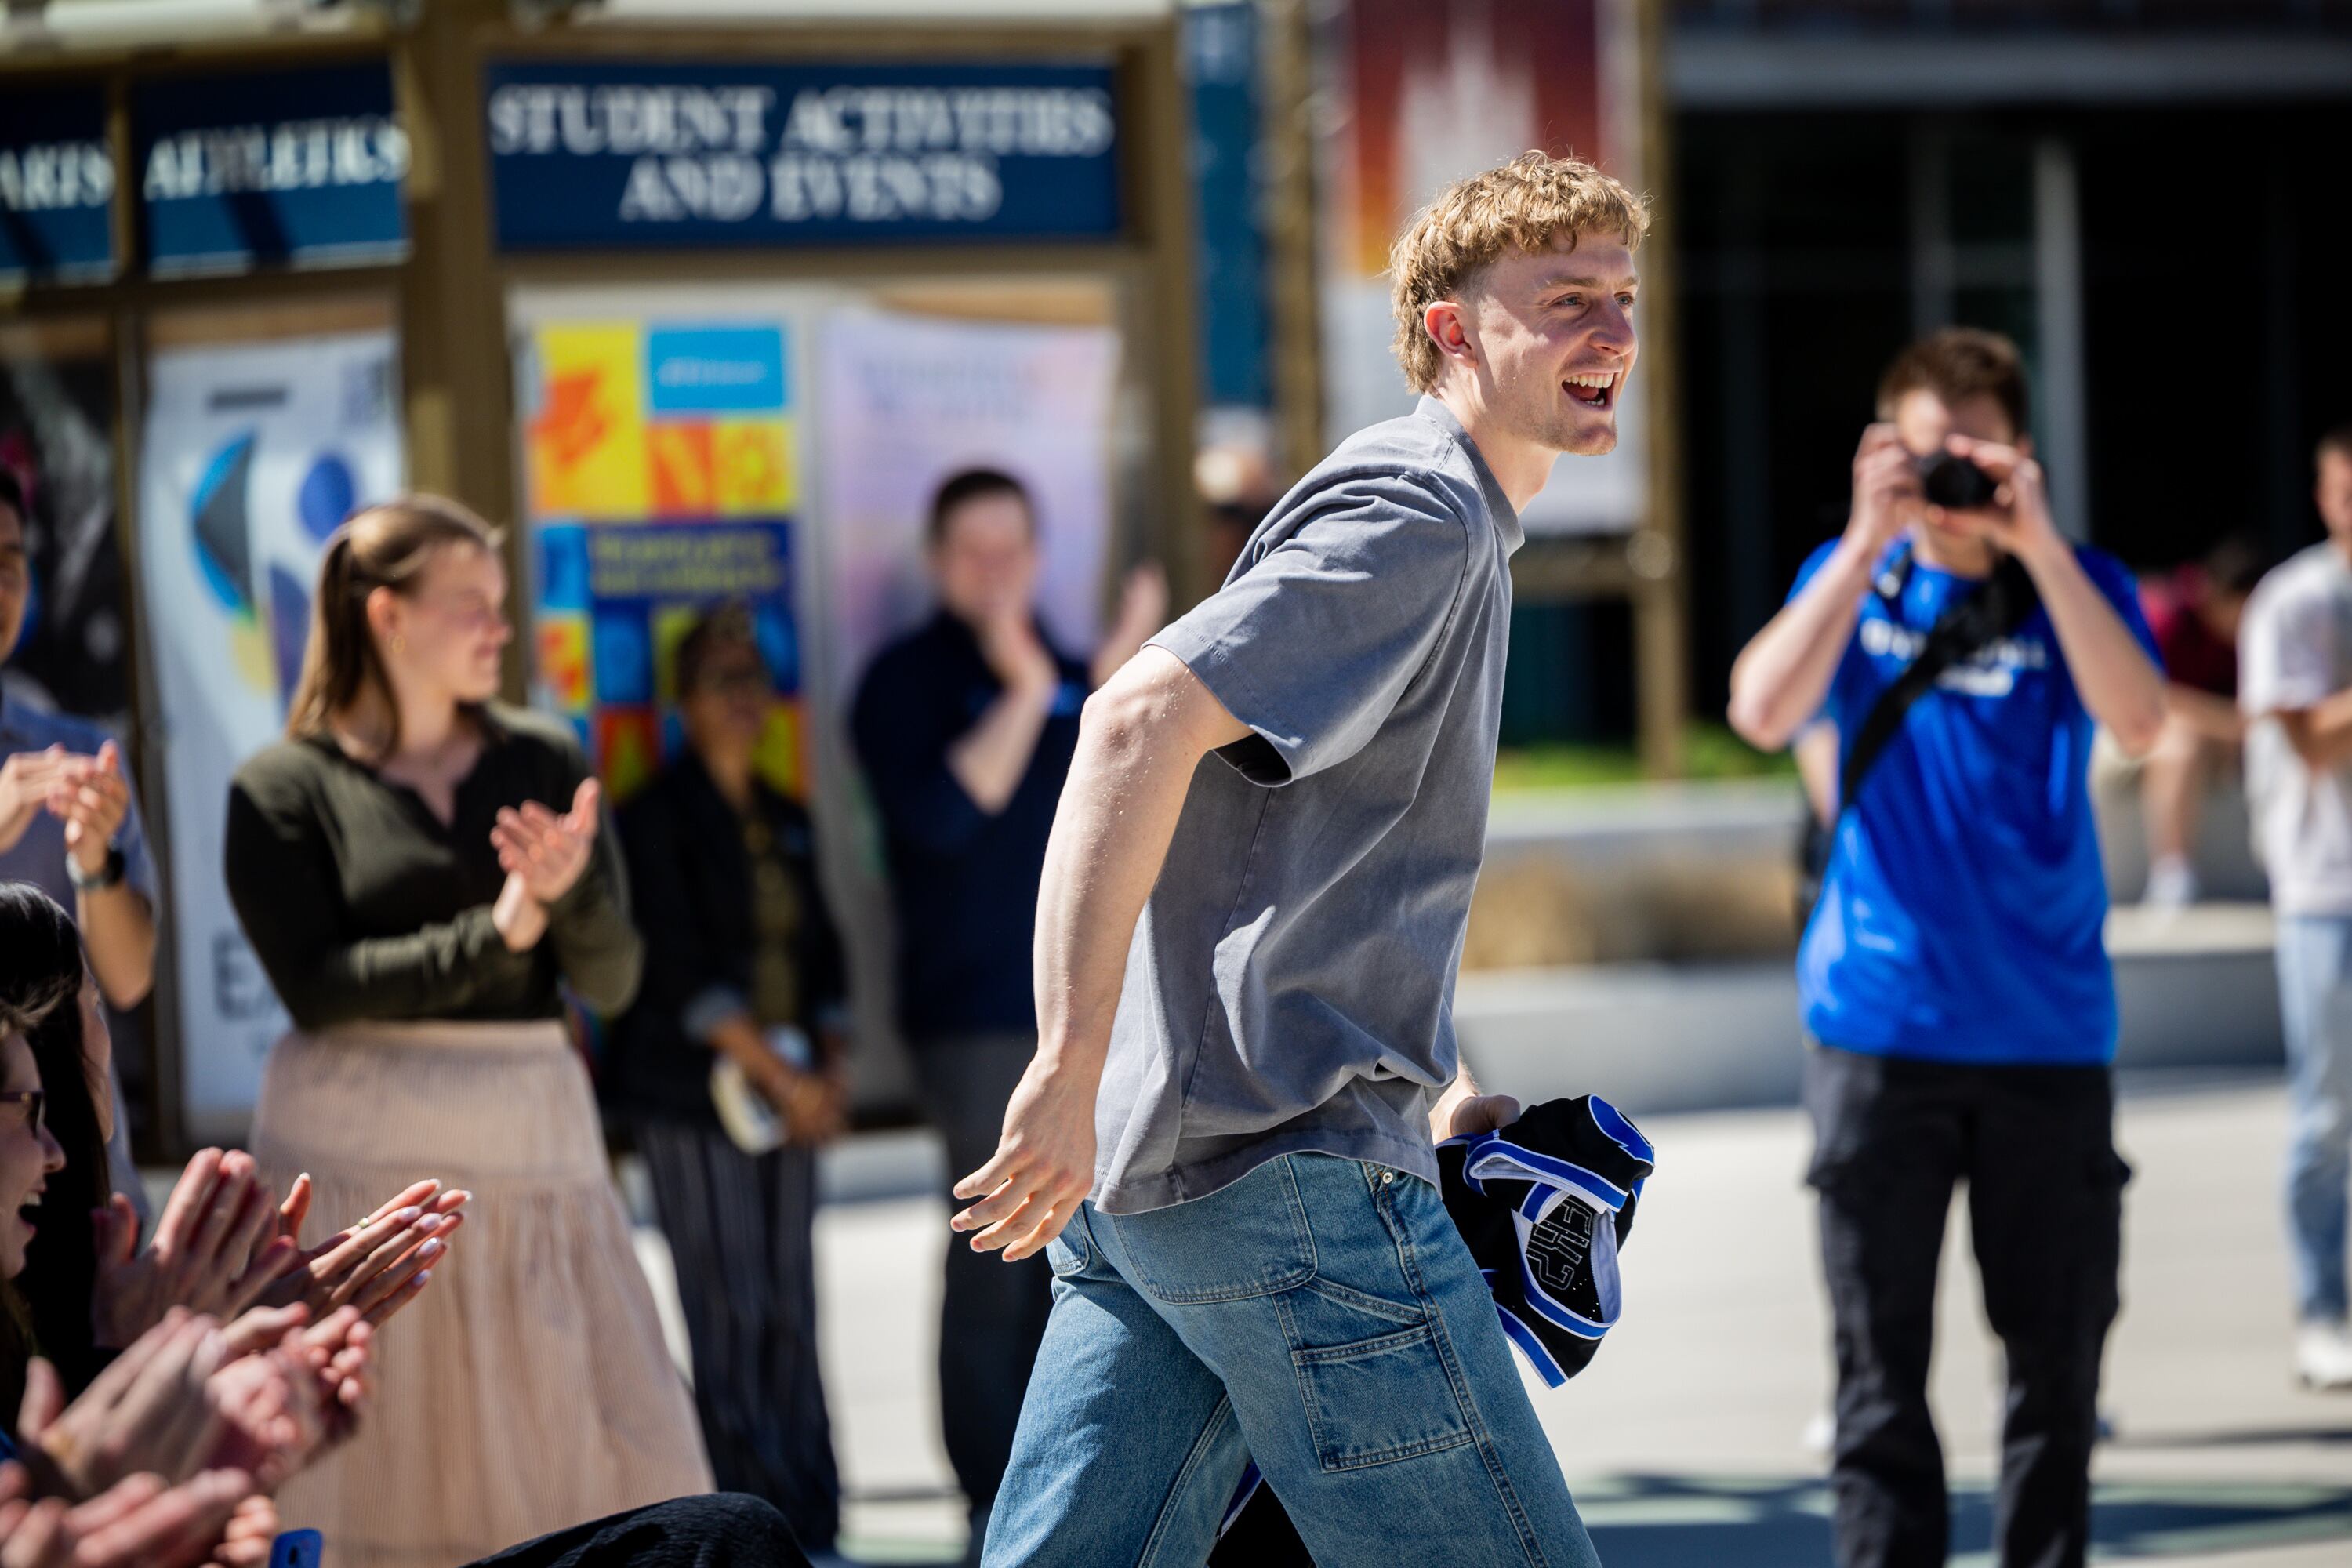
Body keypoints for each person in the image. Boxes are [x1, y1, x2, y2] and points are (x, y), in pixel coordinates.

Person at [949, 150, 1642, 1567]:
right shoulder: (1421, 513)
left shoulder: (1433, 509)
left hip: (1171, 1186)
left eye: (1623, 299)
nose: (1613, 334)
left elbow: (1293, 863)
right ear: (1452, 327)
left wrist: (1432, 1082)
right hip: (1292, 1194)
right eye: (1567, 298)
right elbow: (1135, 722)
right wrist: (1064, 1068)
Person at [1726, 327, 2165, 1568]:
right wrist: (1867, 542)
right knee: (1877, 1378)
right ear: (1886, 459)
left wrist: (2034, 542)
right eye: (1928, 460)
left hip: (2047, 1034)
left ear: (2021, 455)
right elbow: (1760, 710)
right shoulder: (1852, 579)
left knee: (2056, 1373)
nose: (1952, 490)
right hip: (1879, 1030)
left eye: (1974, 458)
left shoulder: (2079, 582)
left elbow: (2136, 718)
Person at [223, 495, 711, 1567]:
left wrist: (569, 897)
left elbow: (615, 976)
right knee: (369, 1469)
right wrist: (499, 930)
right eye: (471, 607)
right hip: (350, 1167)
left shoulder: (543, 753)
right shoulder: (280, 787)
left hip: (529, 1162)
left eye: (501, 606)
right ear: (387, 616)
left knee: (584, 1468)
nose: (500, 629)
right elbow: (321, 987)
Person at [848, 467, 1163, 1544]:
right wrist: (1029, 691)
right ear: (939, 564)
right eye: (972, 552)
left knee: (1098, 1257)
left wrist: (1110, 683)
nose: (994, 571)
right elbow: (939, 819)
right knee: (1000, 1253)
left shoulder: (1082, 669)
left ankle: (1080, 1483)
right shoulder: (900, 682)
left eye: (1011, 550)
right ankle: (992, 1493)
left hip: (1100, 1011)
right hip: (976, 1019)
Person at [610, 604, 850, 1551]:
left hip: (791, 1091)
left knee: (792, 1298)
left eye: (754, 678)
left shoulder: (785, 813)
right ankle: (745, 1530)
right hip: (692, 1096)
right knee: (728, 1304)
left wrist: (828, 1071)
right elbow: (675, 971)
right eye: (722, 680)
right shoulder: (653, 817)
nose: (744, 698)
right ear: (683, 702)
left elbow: (827, 957)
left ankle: (815, 1518)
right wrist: (782, 1081)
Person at [0, 468, 154, 1219]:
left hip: (84, 1190)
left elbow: (126, 983)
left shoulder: (82, 755)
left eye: (11, 558)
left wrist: (95, 866)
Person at [2240, 423, 2352, 1390]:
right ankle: (2324, 1307)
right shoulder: (2294, 600)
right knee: (2328, 1115)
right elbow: (2314, 741)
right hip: (2327, 892)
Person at [2136, 537, 2267, 907]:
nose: (2251, 619)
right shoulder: (2163, 613)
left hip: (2221, 742)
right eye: (2246, 607)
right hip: (2129, 737)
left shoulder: (2247, 634)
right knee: (2181, 744)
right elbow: (2145, 701)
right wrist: (2228, 724)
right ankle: (2171, 875)